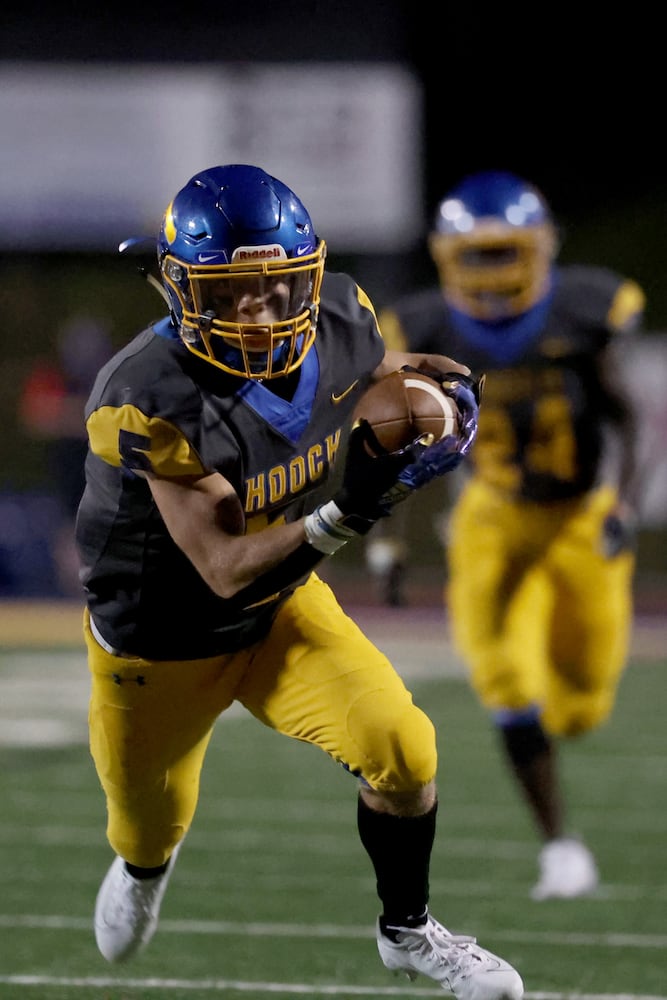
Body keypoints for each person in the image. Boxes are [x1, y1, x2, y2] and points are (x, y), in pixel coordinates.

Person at [75, 163, 524, 999]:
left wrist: (444, 394)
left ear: (307, 277)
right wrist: (347, 512)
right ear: (180, 291)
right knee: (147, 828)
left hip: (281, 609)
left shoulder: (344, 316)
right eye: (229, 293)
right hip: (160, 643)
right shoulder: (146, 395)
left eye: (275, 287)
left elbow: (385, 369)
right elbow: (220, 570)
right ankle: (142, 869)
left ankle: (406, 930)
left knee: (404, 747)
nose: (256, 311)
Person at [370, 169, 645, 900]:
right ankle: (560, 847)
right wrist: (387, 539)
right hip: (489, 515)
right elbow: (402, 437)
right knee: (501, 677)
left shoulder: (583, 312)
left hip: (579, 514)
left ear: (540, 248)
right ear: (445, 257)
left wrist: (626, 502)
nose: (492, 272)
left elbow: (627, 415)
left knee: (581, 704)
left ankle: (554, 733)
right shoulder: (425, 329)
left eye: (504, 253)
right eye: (478, 255)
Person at [18, 313, 113, 595]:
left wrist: (71, 415)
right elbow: (38, 414)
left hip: (106, 475)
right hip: (69, 475)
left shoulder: (109, 375)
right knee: (69, 540)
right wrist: (84, 416)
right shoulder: (55, 376)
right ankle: (73, 599)